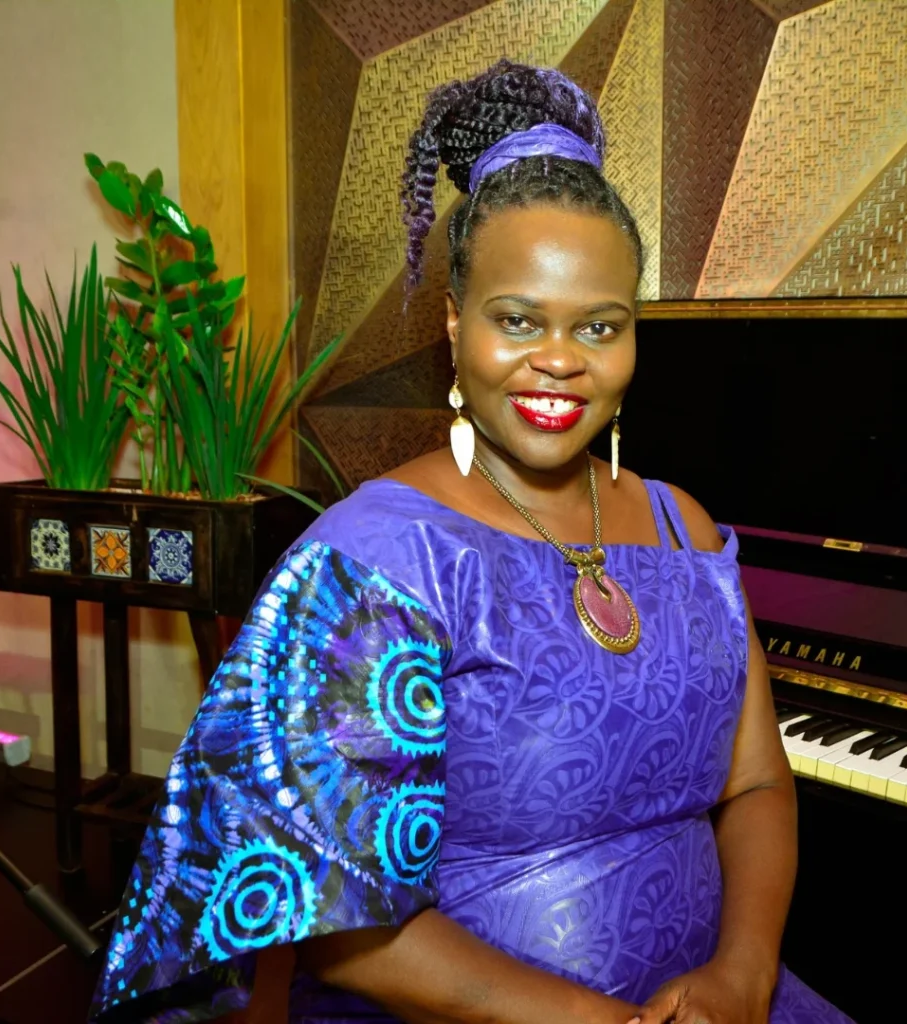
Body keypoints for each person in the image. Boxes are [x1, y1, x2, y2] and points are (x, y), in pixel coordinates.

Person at [90, 61, 853, 1024]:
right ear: (454, 322)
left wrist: (742, 976)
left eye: (601, 326)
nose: (560, 360)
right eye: (516, 318)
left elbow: (757, 786)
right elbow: (322, 914)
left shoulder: (683, 526)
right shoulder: (372, 559)